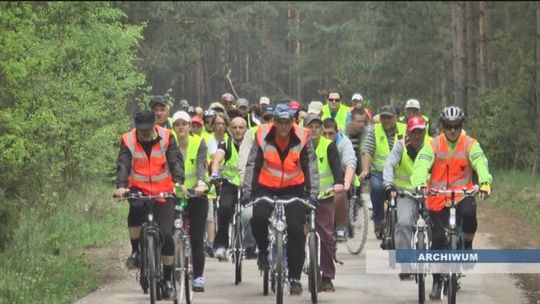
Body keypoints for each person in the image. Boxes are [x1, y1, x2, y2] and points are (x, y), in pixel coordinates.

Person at [411, 106, 492, 299]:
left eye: (456, 126)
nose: (453, 130)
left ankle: (468, 245)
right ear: (442, 126)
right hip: (438, 198)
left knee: (470, 215)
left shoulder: (470, 144)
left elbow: (481, 162)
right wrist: (421, 182)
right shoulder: (433, 145)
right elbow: (421, 164)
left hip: (462, 194)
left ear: (461, 125)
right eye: (448, 126)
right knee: (438, 240)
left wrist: (485, 182)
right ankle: (437, 281)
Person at [243, 104, 319, 296]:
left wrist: (312, 195)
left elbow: (310, 166)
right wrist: (248, 193)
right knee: (258, 217)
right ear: (274, 122)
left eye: (287, 122)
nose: (284, 126)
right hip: (266, 186)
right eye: (280, 122)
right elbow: (253, 163)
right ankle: (262, 250)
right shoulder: (262, 135)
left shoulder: (303, 136)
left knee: (296, 230)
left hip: (294, 188)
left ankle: (294, 278)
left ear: (293, 121)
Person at [114, 110, 184, 298]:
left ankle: (168, 280)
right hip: (139, 188)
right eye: (141, 129)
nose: (144, 133)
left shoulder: (167, 137)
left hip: (164, 191)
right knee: (135, 207)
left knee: (166, 233)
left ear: (155, 125)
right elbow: (123, 164)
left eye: (147, 129)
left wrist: (179, 182)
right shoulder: (128, 139)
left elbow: (175, 161)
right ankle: (136, 251)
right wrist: (121, 186)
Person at [382, 116, 430, 280]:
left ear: (425, 132)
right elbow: (389, 164)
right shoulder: (400, 146)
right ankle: (405, 263)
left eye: (420, 131)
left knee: (438, 225)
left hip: (429, 193)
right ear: (408, 132)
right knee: (403, 223)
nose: (417, 135)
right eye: (414, 132)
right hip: (405, 194)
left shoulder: (432, 145)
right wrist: (389, 184)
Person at [304, 113, 344, 292]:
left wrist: (338, 183)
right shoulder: (298, 146)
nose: (313, 129)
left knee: (327, 235)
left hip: (324, 196)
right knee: (294, 233)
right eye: (310, 126)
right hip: (302, 197)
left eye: (317, 126)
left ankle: (327, 276)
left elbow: (336, 167)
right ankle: (293, 276)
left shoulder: (329, 146)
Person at [170, 111, 210, 292]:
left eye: (183, 124)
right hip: (175, 193)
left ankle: (199, 277)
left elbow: (201, 164)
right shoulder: (169, 144)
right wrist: (176, 186)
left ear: (189, 126)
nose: (180, 127)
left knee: (196, 238)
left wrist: (202, 182)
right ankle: (169, 273)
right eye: (177, 124)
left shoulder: (198, 142)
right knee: (169, 234)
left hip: (197, 194)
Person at [210, 117, 257, 260]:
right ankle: (221, 245)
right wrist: (214, 173)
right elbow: (217, 159)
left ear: (246, 130)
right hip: (229, 184)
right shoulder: (225, 143)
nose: (238, 130)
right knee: (223, 209)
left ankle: (250, 246)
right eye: (234, 127)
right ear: (229, 129)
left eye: (241, 127)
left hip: (248, 185)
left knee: (251, 214)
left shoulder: (252, 145)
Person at [360, 105, 407, 239]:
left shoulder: (404, 129)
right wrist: (365, 170)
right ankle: (379, 220)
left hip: (399, 173)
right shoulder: (375, 130)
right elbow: (367, 151)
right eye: (383, 117)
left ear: (395, 118)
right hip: (379, 172)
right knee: (376, 188)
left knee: (405, 195)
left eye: (389, 117)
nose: (386, 120)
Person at [321, 118, 357, 242]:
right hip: (322, 179)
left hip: (341, 176)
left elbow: (350, 164)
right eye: (324, 133)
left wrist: (345, 184)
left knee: (341, 194)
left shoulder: (344, 143)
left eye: (330, 133)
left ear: (337, 132)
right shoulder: (316, 142)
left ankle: (341, 228)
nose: (327, 136)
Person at [347, 109, 370, 175]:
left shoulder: (367, 132)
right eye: (359, 121)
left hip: (361, 165)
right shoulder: (343, 132)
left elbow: (364, 152)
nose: (362, 124)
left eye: (363, 122)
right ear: (352, 121)